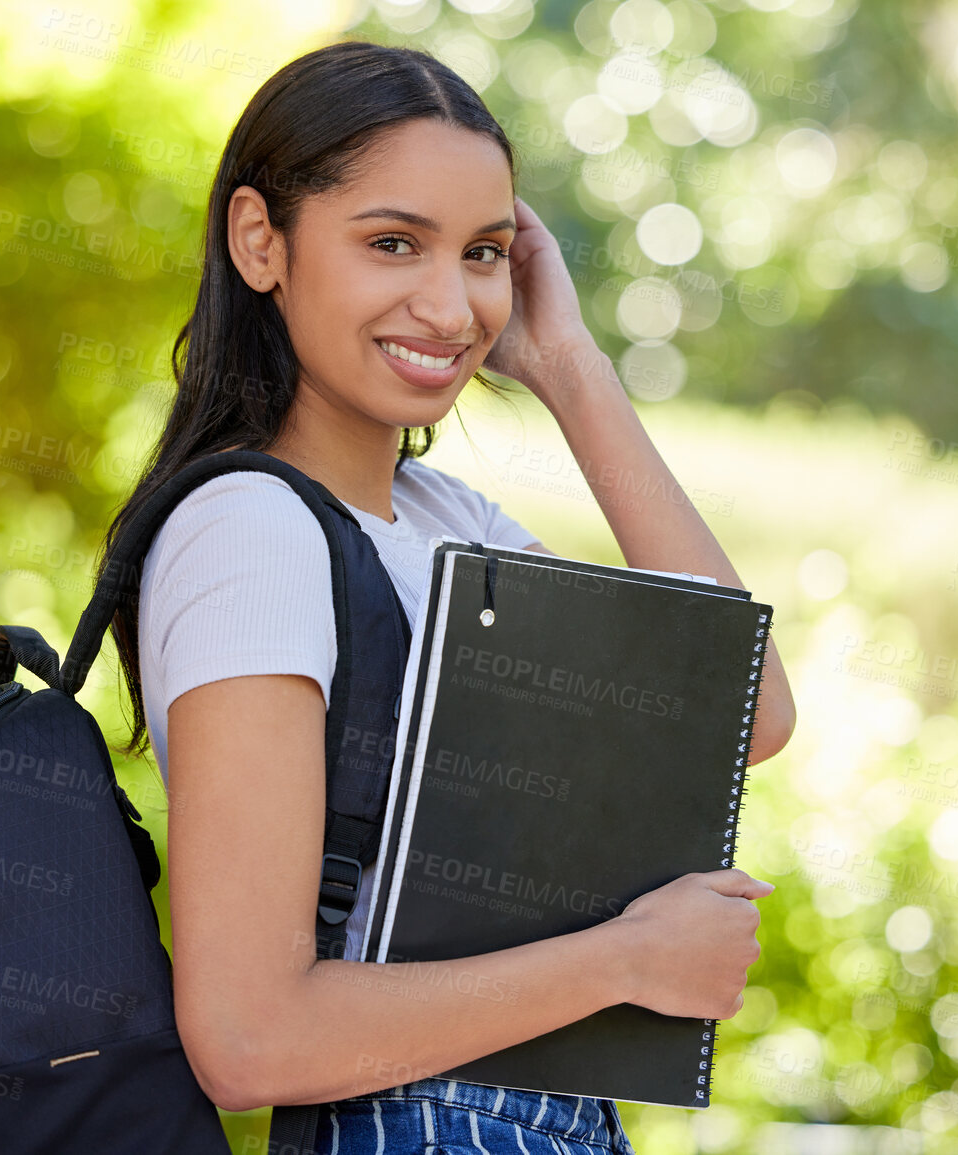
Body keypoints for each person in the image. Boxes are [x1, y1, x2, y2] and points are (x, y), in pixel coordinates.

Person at [100, 39, 798, 1155]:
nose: (451, 305)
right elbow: (248, 1038)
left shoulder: (442, 520)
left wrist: (571, 366)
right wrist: (624, 960)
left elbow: (743, 711)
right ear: (259, 241)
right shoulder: (250, 535)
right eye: (392, 243)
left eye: (482, 253)